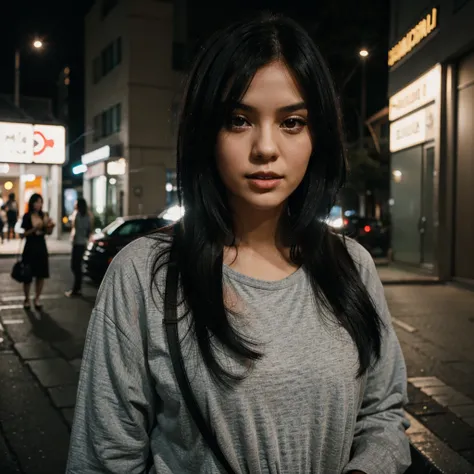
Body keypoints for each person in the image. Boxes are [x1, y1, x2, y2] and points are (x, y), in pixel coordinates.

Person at [68, 14, 411, 474]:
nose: (265, 147)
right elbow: (104, 457)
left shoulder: (352, 265)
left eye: (292, 121)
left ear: (317, 135)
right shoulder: (144, 273)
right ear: (206, 132)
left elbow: (383, 414)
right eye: (238, 119)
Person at [21, 193, 55, 310]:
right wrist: (35, 228)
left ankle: (37, 298)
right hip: (30, 247)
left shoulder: (44, 215)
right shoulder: (27, 216)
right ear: (32, 203)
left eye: (40, 202)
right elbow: (23, 234)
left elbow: (48, 233)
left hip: (41, 247)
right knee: (27, 276)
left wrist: (50, 227)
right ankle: (26, 299)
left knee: (40, 275)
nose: (38, 204)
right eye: (36, 202)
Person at [65, 198, 93, 297]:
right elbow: (89, 230)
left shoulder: (77, 215)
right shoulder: (87, 216)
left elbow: (75, 228)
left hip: (78, 243)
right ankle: (78, 288)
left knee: (75, 266)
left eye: (76, 203)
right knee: (77, 266)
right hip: (81, 243)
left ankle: (76, 289)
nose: (74, 204)